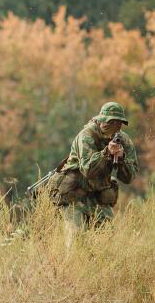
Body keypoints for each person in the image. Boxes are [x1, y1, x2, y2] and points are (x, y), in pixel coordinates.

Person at [51, 102, 138, 239]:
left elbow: (129, 177)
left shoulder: (124, 141)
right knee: (77, 239)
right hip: (75, 194)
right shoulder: (87, 136)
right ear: (101, 120)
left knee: (106, 240)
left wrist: (121, 159)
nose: (115, 126)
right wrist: (106, 153)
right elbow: (88, 170)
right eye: (111, 122)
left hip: (98, 196)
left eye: (118, 123)